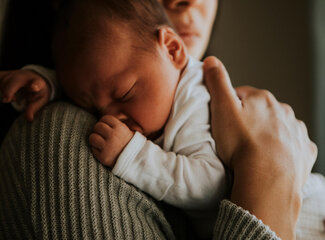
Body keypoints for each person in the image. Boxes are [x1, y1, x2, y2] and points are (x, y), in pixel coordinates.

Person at [0, 0, 321, 239]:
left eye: (124, 94)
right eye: (93, 111)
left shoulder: (192, 102)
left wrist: (134, 155)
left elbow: (208, 184)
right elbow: (96, 81)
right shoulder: (55, 137)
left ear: (171, 48)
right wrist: (47, 83)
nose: (111, 118)